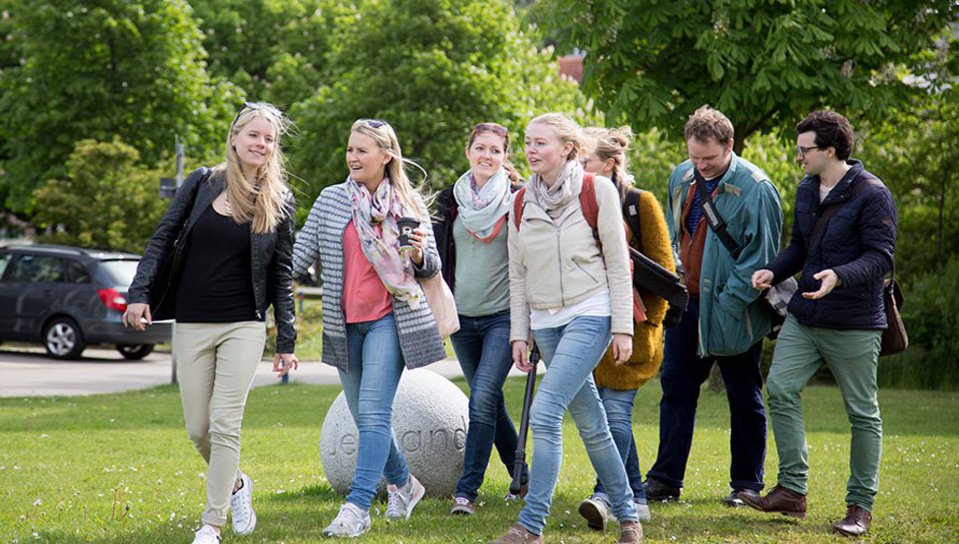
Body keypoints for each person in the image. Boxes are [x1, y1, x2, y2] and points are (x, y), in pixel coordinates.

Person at [125, 102, 299, 544]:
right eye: (254, 135)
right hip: (193, 321)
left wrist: (287, 341)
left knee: (225, 424)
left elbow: (281, 274)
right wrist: (139, 293)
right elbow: (163, 236)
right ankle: (238, 484)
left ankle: (212, 524)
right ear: (235, 137)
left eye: (269, 139)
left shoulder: (279, 198)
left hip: (244, 324)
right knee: (198, 429)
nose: (261, 144)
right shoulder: (203, 182)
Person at [740, 110, 897, 537]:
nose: (798, 158)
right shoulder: (807, 189)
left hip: (855, 322)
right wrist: (773, 270)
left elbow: (882, 257)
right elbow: (799, 247)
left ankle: (860, 506)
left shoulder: (872, 194)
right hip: (805, 318)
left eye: (804, 150)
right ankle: (792, 490)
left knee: (863, 414)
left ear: (830, 150)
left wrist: (839, 275)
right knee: (779, 388)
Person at [292, 118, 447, 538]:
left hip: (389, 321)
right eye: (350, 150)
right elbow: (300, 252)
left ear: (386, 155)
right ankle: (406, 484)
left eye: (362, 150)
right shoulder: (331, 201)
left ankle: (357, 506)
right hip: (344, 325)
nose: (353, 157)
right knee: (365, 418)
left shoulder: (408, 206)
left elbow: (431, 267)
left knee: (375, 413)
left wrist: (417, 256)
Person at [492, 113, 642, 544]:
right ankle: (629, 516)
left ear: (568, 149)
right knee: (592, 422)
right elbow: (517, 274)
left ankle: (531, 524)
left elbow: (618, 262)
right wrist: (520, 333)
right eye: (527, 142)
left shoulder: (597, 192)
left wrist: (622, 327)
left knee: (545, 411)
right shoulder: (520, 201)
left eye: (541, 143)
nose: (531, 150)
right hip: (546, 320)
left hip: (590, 312)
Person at [644, 106, 782, 507]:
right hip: (688, 305)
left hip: (733, 308)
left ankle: (747, 485)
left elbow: (762, 256)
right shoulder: (681, 176)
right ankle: (665, 479)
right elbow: (673, 233)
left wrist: (726, 303)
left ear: (730, 146)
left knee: (744, 394)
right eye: (694, 157)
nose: (701, 166)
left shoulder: (757, 187)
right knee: (676, 390)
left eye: (710, 158)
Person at [575, 127, 674, 530]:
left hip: (632, 330)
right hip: (589, 327)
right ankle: (633, 491)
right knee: (607, 418)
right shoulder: (576, 201)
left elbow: (666, 274)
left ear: (609, 164)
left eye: (586, 163)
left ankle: (606, 494)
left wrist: (646, 323)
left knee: (614, 416)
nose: (579, 169)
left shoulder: (639, 204)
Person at [433, 122, 529, 515]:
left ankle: (466, 492)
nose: (487, 155)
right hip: (461, 319)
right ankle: (522, 476)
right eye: (480, 148)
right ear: (468, 151)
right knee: (489, 401)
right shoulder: (449, 200)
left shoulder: (518, 199)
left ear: (505, 157)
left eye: (495, 150)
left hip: (502, 317)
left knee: (482, 398)